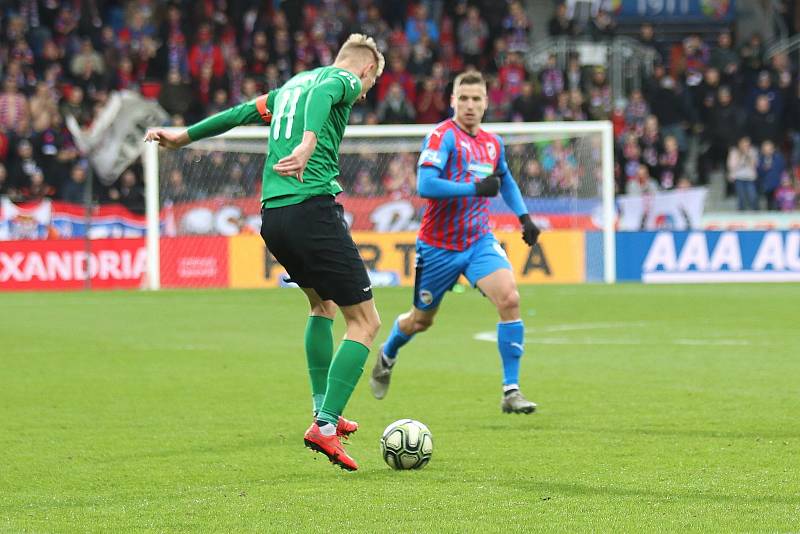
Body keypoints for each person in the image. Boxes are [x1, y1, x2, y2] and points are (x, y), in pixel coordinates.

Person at [145, 34, 385, 471]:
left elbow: (238, 113)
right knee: (366, 322)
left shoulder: (290, 87)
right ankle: (325, 426)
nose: (362, 93)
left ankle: (321, 407)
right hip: (312, 207)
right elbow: (331, 90)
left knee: (321, 304)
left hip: (273, 216)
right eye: (368, 85)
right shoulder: (345, 78)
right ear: (367, 70)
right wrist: (310, 140)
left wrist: (183, 137)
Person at [369, 71, 541, 414]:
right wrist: (474, 189)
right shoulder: (441, 137)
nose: (470, 106)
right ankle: (388, 353)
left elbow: (504, 178)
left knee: (509, 298)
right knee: (420, 321)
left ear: (487, 102)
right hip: (438, 248)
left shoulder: (493, 143)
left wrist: (524, 217)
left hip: (478, 241)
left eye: (477, 99)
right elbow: (426, 185)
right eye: (463, 98)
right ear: (452, 101)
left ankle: (511, 391)